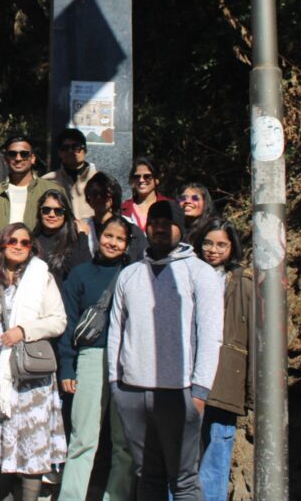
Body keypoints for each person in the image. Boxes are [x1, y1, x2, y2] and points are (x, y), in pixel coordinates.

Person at [108, 200, 224, 501]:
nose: (159, 227)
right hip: (132, 391)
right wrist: (115, 383)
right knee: (147, 476)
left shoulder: (200, 272)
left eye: (167, 222)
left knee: (184, 480)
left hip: (179, 392)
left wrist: (199, 391)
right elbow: (115, 332)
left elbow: (210, 334)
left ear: (180, 228)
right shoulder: (129, 274)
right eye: (154, 221)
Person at [0, 224, 68, 501]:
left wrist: (24, 330)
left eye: (25, 242)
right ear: (2, 245)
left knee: (32, 444)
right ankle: (5, 495)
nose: (19, 246)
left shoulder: (41, 277)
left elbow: (58, 321)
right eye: (13, 241)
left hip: (29, 373)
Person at [57, 216, 138, 501]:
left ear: (128, 244)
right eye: (108, 236)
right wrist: (67, 366)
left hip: (127, 361)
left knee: (124, 441)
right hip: (91, 358)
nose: (112, 243)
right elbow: (68, 324)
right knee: (83, 437)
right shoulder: (79, 274)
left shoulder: (133, 274)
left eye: (119, 238)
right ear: (98, 236)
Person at [193, 219, 253, 501]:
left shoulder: (242, 282)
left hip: (226, 375)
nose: (213, 250)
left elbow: (253, 335)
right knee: (182, 453)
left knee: (217, 449)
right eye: (208, 243)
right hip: (190, 373)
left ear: (232, 247)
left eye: (221, 244)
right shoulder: (187, 274)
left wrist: (250, 390)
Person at [0, 135, 62, 231]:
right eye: (12, 154)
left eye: (24, 154)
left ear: (33, 158)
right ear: (6, 159)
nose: (18, 158)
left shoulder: (52, 190)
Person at [84, 172, 148, 263]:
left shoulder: (132, 229)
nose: (98, 198)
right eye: (94, 193)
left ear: (114, 196)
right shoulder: (83, 229)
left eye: (104, 194)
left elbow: (142, 261)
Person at [31, 189, 91, 285]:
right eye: (46, 210)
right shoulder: (31, 240)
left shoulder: (73, 240)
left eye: (58, 211)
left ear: (65, 215)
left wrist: (82, 236)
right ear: (39, 212)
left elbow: (84, 273)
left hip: (62, 297)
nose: (51, 215)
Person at [42, 129, 98, 220]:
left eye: (76, 147)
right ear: (59, 153)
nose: (70, 151)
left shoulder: (99, 180)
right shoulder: (48, 181)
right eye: (65, 148)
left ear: (85, 150)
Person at [120, 157, 170, 232]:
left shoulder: (169, 206)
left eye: (147, 176)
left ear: (156, 179)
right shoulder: (123, 208)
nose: (141, 180)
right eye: (137, 176)